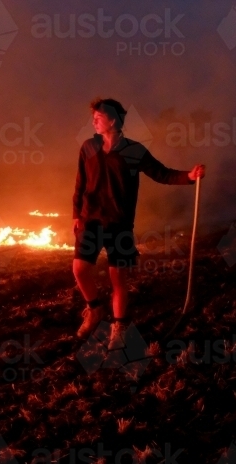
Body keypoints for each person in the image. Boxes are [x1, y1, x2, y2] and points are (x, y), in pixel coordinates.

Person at [72, 98, 204, 350]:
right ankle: (95, 310)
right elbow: (80, 183)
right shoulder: (88, 147)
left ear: (112, 120)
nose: (93, 121)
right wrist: (76, 214)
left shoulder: (134, 151)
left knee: (117, 279)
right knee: (79, 269)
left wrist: (189, 176)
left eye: (98, 117)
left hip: (119, 224)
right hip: (91, 220)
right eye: (93, 118)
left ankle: (119, 327)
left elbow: (162, 173)